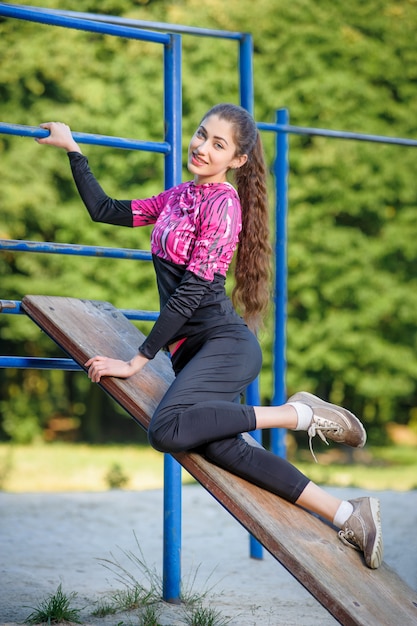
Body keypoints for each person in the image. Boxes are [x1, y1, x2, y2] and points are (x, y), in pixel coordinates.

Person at [37, 104, 383, 569]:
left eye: (218, 144)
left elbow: (189, 295)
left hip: (224, 346)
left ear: (237, 160)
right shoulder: (179, 197)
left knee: (167, 430)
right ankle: (349, 514)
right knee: (221, 446)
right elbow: (105, 210)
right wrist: (73, 150)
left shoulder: (224, 206)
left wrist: (136, 361)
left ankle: (298, 413)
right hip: (195, 354)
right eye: (202, 135)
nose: (201, 147)